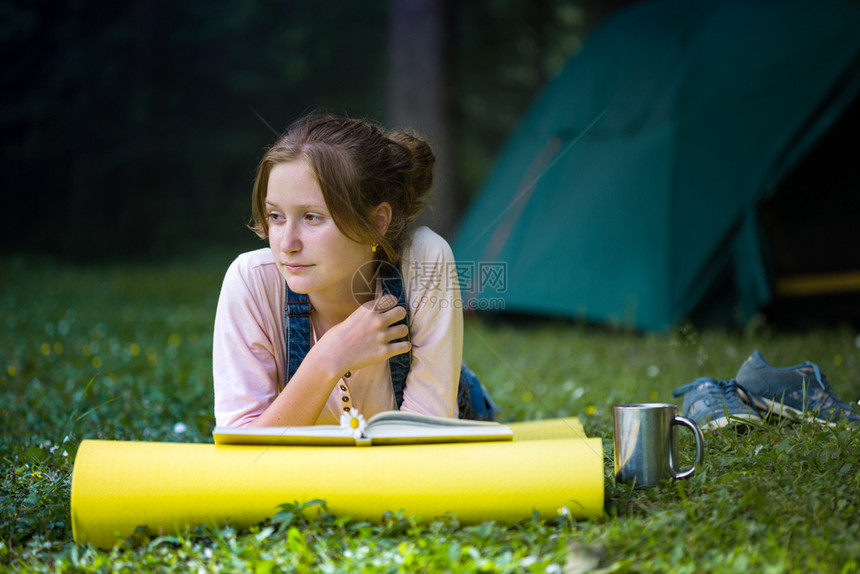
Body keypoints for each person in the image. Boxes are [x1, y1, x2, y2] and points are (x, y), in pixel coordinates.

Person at [212, 113, 495, 428]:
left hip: (441, 423)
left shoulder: (424, 259)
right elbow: (243, 443)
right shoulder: (250, 281)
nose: (286, 243)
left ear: (376, 222)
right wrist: (328, 359)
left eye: (312, 217)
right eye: (276, 216)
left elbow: (425, 435)